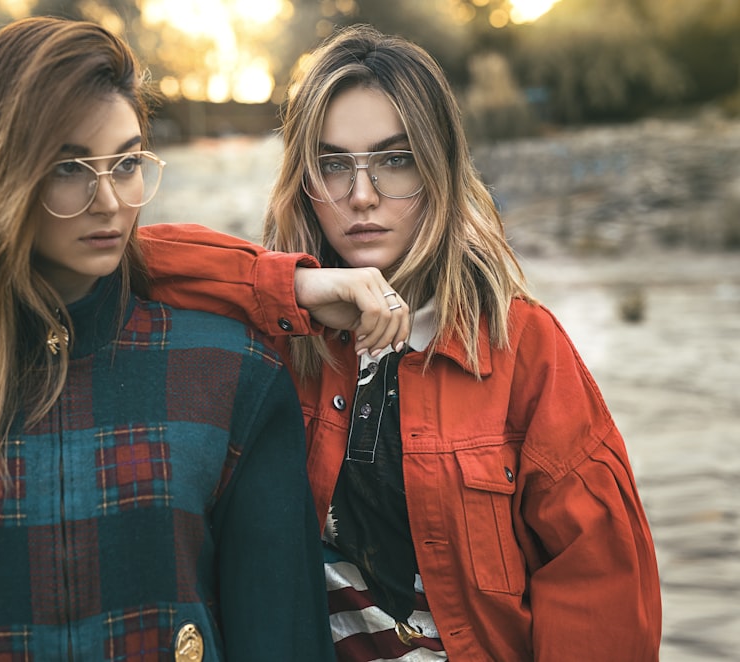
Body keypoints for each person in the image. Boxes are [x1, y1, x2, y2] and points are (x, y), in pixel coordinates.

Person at [0, 17, 340, 661]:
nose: (110, 200)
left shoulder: (231, 377)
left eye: (126, 162)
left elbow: (282, 641)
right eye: (69, 167)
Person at [139, 24, 662, 661]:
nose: (361, 196)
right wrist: (299, 286)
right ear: (303, 179)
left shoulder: (523, 348)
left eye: (395, 159)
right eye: (333, 165)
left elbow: (599, 585)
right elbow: (129, 258)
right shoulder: (277, 340)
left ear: (439, 169)